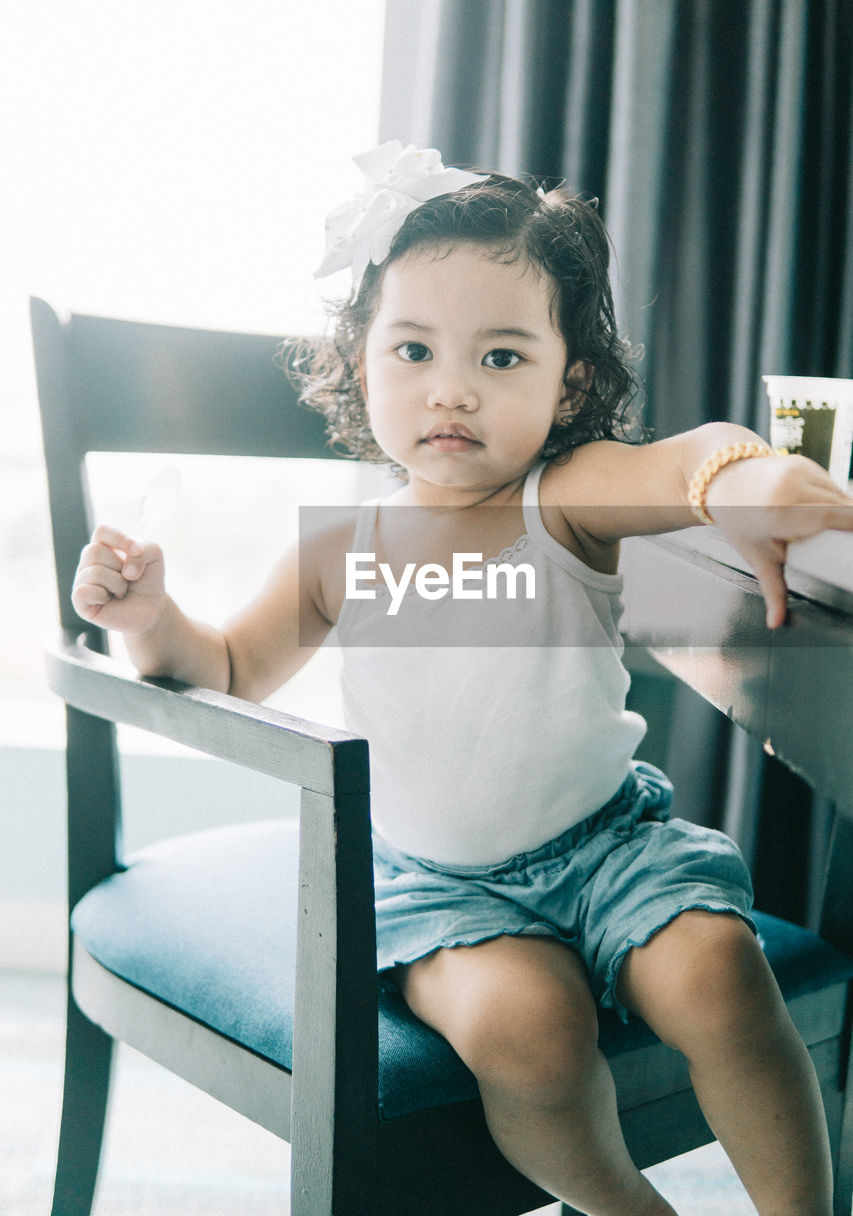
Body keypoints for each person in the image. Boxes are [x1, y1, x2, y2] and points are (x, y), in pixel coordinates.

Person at [72, 143, 851, 1214]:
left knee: (723, 975)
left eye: (500, 357)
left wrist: (751, 476)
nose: (451, 388)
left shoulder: (565, 495)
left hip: (606, 845)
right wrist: (151, 618)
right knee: (522, 1035)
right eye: (413, 349)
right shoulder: (341, 547)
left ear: (567, 377)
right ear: (359, 365)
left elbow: (681, 459)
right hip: (439, 885)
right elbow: (229, 668)